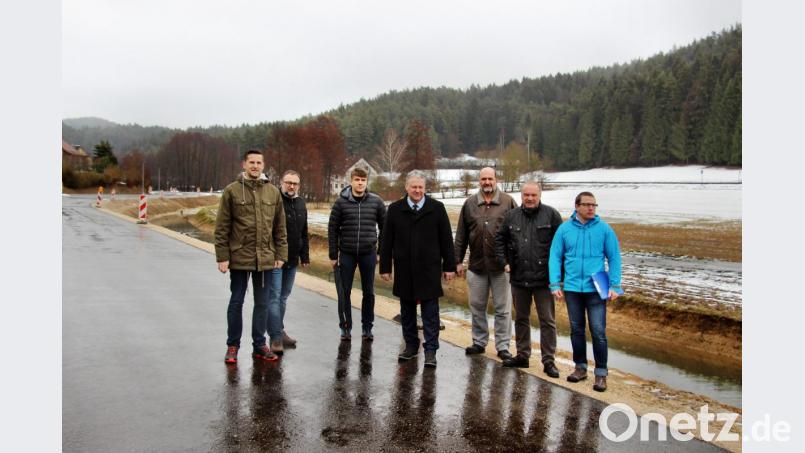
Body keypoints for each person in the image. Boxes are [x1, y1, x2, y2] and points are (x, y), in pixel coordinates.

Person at [214, 149, 288, 364]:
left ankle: (259, 345)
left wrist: (280, 254)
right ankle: (233, 345)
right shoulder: (232, 191)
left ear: (263, 165)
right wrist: (222, 256)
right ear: (244, 165)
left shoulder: (273, 192)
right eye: (251, 162)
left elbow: (279, 228)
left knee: (262, 304)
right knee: (236, 302)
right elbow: (222, 227)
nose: (255, 166)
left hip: (265, 258)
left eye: (259, 163)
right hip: (239, 257)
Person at [380, 170, 456, 368]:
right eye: (413, 187)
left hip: (429, 269)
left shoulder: (436, 208)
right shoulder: (395, 209)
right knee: (407, 312)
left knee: (431, 313)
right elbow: (386, 240)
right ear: (406, 187)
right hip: (404, 268)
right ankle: (411, 346)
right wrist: (385, 267)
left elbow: (447, 240)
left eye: (420, 187)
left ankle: (430, 351)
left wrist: (449, 266)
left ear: (425, 188)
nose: (417, 190)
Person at [549, 191, 622, 392]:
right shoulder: (564, 230)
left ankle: (601, 374)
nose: (591, 208)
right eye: (587, 204)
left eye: (594, 205)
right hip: (572, 287)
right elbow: (555, 257)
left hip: (597, 287)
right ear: (577, 206)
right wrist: (555, 283)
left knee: (598, 331)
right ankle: (580, 368)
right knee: (576, 329)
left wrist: (615, 285)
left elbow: (614, 257)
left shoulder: (604, 230)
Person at [494, 181, 563, 377]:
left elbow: (561, 245)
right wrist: (503, 262)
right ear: (522, 196)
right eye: (526, 195)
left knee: (547, 321)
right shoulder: (511, 216)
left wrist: (559, 275)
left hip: (544, 280)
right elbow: (499, 240)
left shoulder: (551, 215)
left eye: (533, 195)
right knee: (521, 319)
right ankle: (523, 355)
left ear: (539, 195)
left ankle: (549, 361)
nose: (530, 198)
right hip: (519, 277)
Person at [454, 167, 517, 360]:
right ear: (479, 181)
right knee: (476, 306)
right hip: (477, 265)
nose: (487, 182)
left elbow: (516, 233)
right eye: (483, 179)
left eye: (490, 178)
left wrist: (513, 261)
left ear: (496, 180)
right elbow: (461, 235)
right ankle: (479, 342)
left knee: (503, 309)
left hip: (501, 267)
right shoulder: (470, 203)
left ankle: (503, 346)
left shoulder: (508, 202)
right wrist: (457, 261)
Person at [328, 167, 387, 341]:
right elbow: (332, 229)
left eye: (363, 180)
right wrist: (333, 254)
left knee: (368, 292)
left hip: (368, 254)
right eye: (357, 180)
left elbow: (385, 228)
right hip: (346, 253)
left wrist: (380, 252)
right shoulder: (340, 203)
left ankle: (367, 327)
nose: (360, 183)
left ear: (366, 182)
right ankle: (345, 327)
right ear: (351, 181)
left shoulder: (376, 202)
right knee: (344, 291)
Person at [278, 170, 310, 348]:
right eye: (288, 182)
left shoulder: (300, 203)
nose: (291, 186)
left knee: (283, 297)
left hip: (292, 259)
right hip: (276, 259)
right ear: (282, 182)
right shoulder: (276, 201)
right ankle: (276, 333)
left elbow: (303, 232)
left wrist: (304, 256)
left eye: (294, 183)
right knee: (274, 298)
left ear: (299, 185)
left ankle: (278, 331)